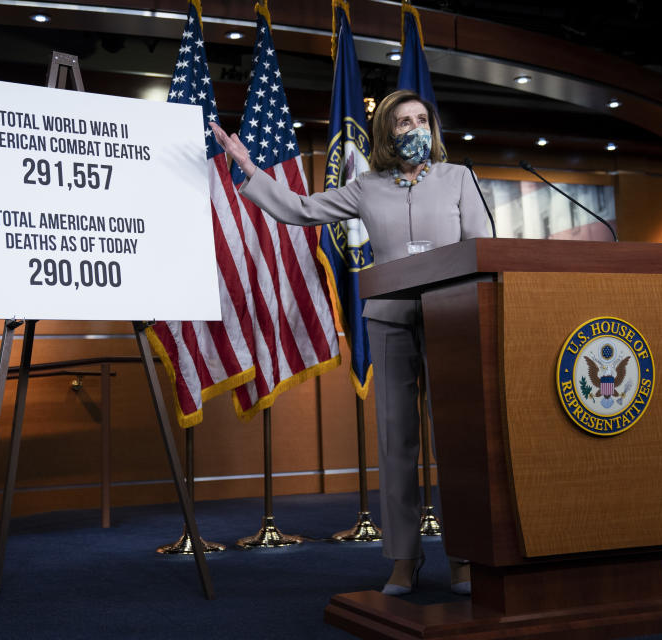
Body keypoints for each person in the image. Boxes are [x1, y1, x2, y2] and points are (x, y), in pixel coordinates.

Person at [210, 89, 492, 595]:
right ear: (387, 132)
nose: (414, 129)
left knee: (459, 441)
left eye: (422, 119)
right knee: (397, 441)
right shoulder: (366, 187)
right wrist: (248, 168)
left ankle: (466, 557)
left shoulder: (458, 179)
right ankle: (404, 558)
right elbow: (299, 208)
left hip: (454, 320)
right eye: (403, 122)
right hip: (390, 318)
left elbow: (483, 248)